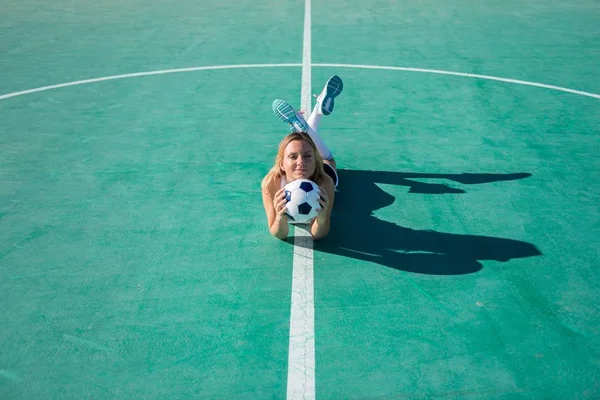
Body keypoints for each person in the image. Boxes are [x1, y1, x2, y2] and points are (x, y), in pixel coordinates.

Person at [261, 76, 344, 240]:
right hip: (313, 166)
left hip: (322, 170)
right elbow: (279, 233)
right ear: (282, 164)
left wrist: (322, 216)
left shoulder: (324, 182)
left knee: (329, 161)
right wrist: (279, 216)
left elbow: (318, 234)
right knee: (307, 145)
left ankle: (312, 117)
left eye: (307, 157)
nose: (300, 162)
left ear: (315, 160)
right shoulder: (271, 184)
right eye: (292, 157)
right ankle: (316, 114)